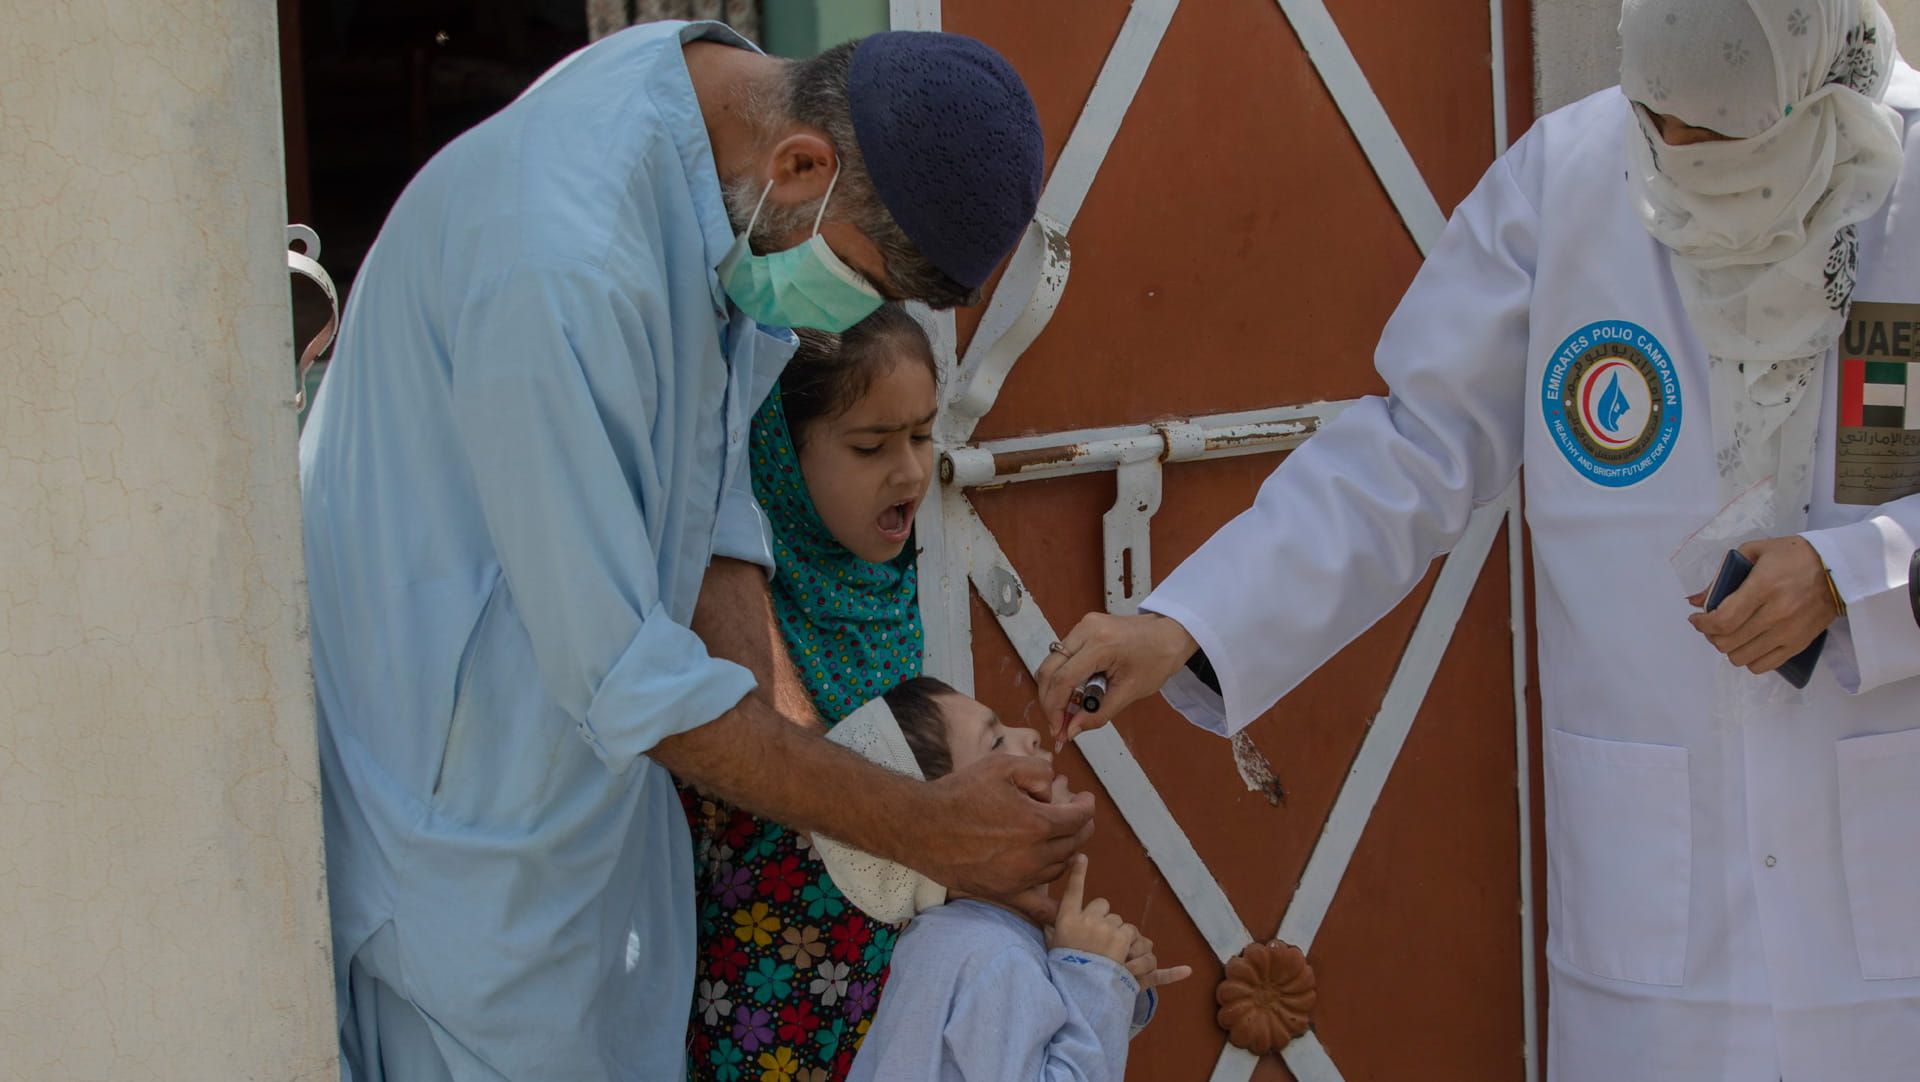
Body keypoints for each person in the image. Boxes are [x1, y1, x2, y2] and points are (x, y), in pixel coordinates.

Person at [1037, 2, 1920, 1080]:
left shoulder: (1910, 185)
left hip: (1885, 877)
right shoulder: (1572, 178)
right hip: (1661, 912)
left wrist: (1857, 574)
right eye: (1660, 118)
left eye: (1720, 134)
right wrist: (1189, 618)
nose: (1677, 155)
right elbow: (1413, 446)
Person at [298, 20, 1095, 1082]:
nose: (836, 328)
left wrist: (821, 768)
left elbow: (709, 495)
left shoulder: (709, 125)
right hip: (463, 836)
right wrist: (919, 825)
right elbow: (627, 674)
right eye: (859, 280)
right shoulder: (561, 260)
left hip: (590, 815)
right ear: (803, 163)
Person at [680, 304, 940, 1081]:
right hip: (749, 995)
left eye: (923, 436)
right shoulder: (735, 609)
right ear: (783, 458)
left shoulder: (883, 588)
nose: (912, 472)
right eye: (871, 447)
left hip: (877, 1000)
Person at [820, 677, 1189, 1082]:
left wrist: (1113, 979)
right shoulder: (989, 955)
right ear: (952, 834)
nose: (1029, 735)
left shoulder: (958, 943)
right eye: (995, 742)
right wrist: (1092, 978)